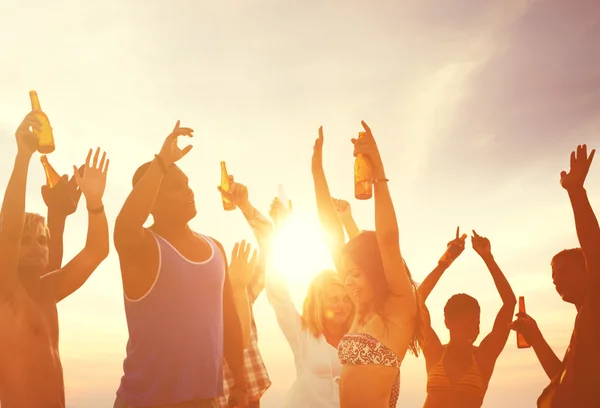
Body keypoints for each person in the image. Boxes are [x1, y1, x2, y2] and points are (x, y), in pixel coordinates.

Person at [113, 121, 251, 408]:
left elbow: (229, 322)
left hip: (205, 402)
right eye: (175, 187)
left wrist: (240, 382)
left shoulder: (216, 249)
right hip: (145, 401)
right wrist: (161, 162)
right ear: (152, 199)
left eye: (187, 183)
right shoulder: (143, 248)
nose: (188, 191)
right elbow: (125, 223)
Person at [0, 111, 110, 408]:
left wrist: (95, 202)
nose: (39, 247)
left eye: (42, 240)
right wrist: (23, 156)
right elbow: (7, 233)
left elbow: (97, 251)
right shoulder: (6, 293)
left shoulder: (48, 291)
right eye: (27, 241)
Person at [312, 122, 421, 408]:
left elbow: (387, 239)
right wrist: (316, 173)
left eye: (356, 274)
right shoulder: (361, 310)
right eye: (346, 275)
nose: (348, 283)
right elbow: (331, 234)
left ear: (375, 271)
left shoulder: (398, 307)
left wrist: (378, 173)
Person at [510, 144, 600, 407]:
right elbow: (561, 378)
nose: (555, 280)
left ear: (588, 271)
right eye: (553, 275)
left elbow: (594, 248)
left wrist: (575, 191)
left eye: (564, 271)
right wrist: (535, 336)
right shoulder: (584, 325)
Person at [263, 197, 354, 407]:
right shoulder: (302, 333)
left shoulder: (356, 336)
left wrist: (347, 220)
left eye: (345, 299)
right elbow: (277, 293)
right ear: (319, 302)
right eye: (333, 299)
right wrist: (280, 230)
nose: (341, 305)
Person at [418, 228, 517, 408]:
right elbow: (417, 301)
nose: (473, 331)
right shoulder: (434, 352)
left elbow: (509, 303)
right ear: (448, 322)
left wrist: (488, 257)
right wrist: (445, 261)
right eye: (465, 326)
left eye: (476, 325)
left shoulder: (484, 356)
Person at [217, 179, 272, 408]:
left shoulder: (240, 290)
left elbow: (272, 245)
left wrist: (246, 206)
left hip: (250, 396)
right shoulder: (192, 304)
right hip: (217, 400)